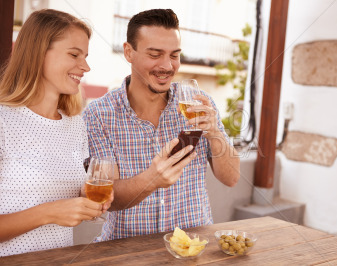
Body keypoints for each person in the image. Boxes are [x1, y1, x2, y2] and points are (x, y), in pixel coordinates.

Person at [83, 8, 240, 241]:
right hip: (127, 250)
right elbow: (110, 198)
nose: (167, 65)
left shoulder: (197, 102)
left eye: (174, 55)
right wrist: (152, 179)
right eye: (155, 54)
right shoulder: (99, 115)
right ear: (129, 52)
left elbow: (232, 178)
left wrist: (214, 133)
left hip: (192, 246)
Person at [0, 9, 112, 257]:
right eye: (74, 54)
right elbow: (53, 208)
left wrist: (86, 199)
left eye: (85, 56)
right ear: (38, 53)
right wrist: (50, 213)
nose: (85, 66)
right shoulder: (3, 121)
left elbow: (65, 190)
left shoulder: (75, 125)